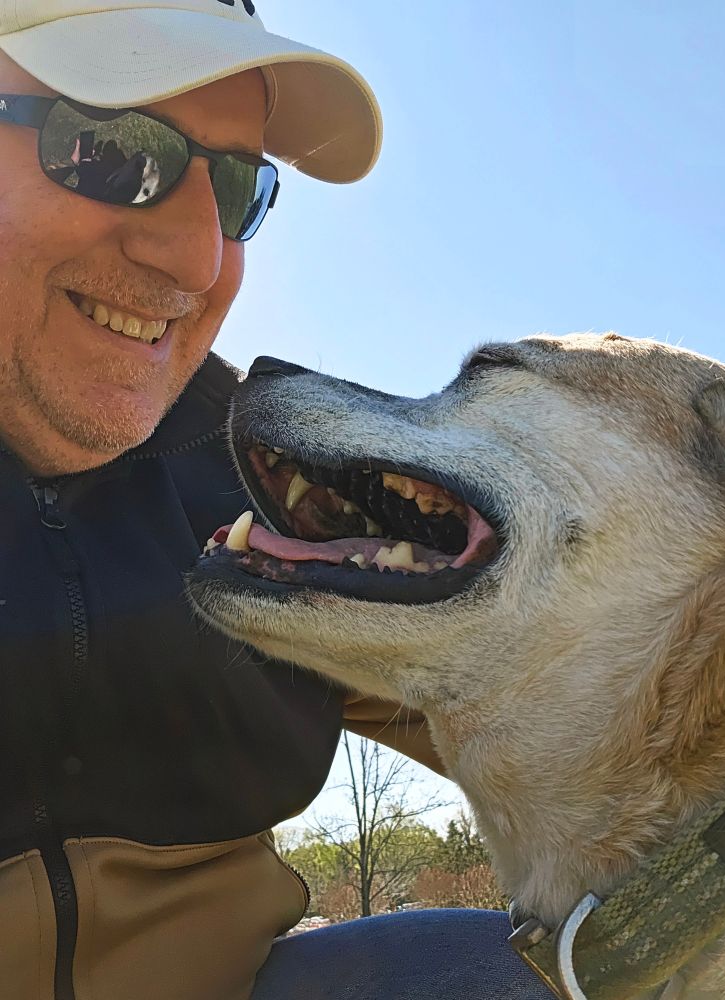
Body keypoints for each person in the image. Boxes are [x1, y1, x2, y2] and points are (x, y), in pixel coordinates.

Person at [0, 3, 554, 999]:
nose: (199, 257)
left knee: (517, 977)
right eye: (111, 147)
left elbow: (532, 698)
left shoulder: (259, 472)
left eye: (237, 186)